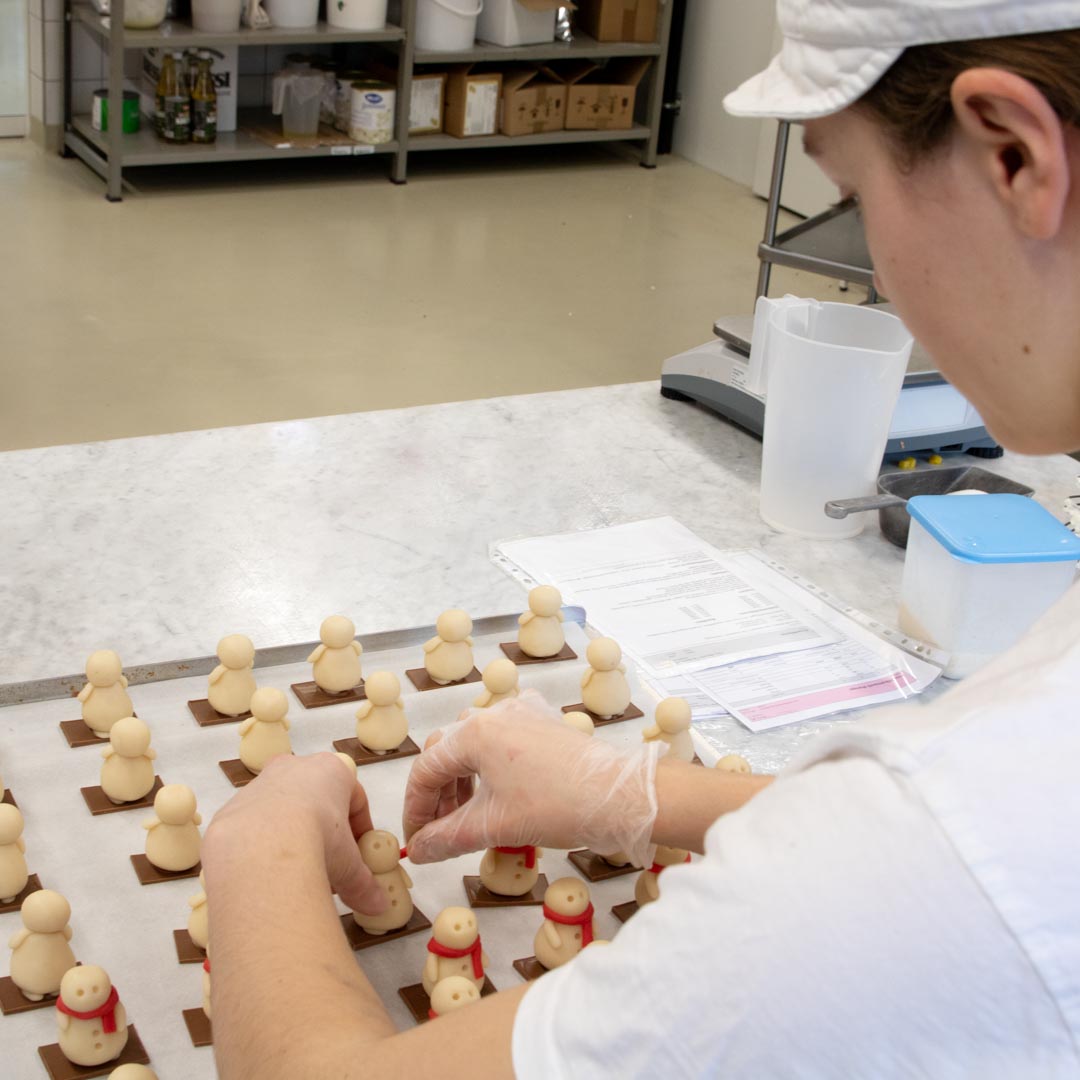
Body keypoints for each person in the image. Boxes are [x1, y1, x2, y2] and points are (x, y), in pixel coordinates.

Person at [202, 2, 1080, 1075]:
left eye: (854, 200)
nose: (877, 280)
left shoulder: (950, 851)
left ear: (1014, 153)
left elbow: (937, 864)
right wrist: (652, 796)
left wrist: (255, 852)